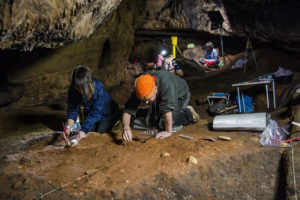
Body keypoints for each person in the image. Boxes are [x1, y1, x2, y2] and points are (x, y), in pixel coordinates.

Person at [122, 70, 199, 142]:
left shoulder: (166, 84)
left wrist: (168, 131)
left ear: (155, 88)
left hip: (180, 95)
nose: (146, 103)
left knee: (163, 124)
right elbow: (128, 109)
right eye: (143, 101)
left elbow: (167, 109)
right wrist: (126, 128)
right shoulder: (140, 87)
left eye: (148, 99)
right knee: (151, 120)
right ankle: (157, 109)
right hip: (161, 95)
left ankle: (188, 113)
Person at [65, 65, 119, 141]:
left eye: (80, 88)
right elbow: (72, 109)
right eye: (76, 87)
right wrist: (68, 127)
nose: (77, 90)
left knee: (97, 134)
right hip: (89, 113)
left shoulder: (98, 88)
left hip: (107, 114)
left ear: (87, 86)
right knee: (85, 132)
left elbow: (96, 112)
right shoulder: (74, 88)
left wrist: (84, 130)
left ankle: (114, 121)